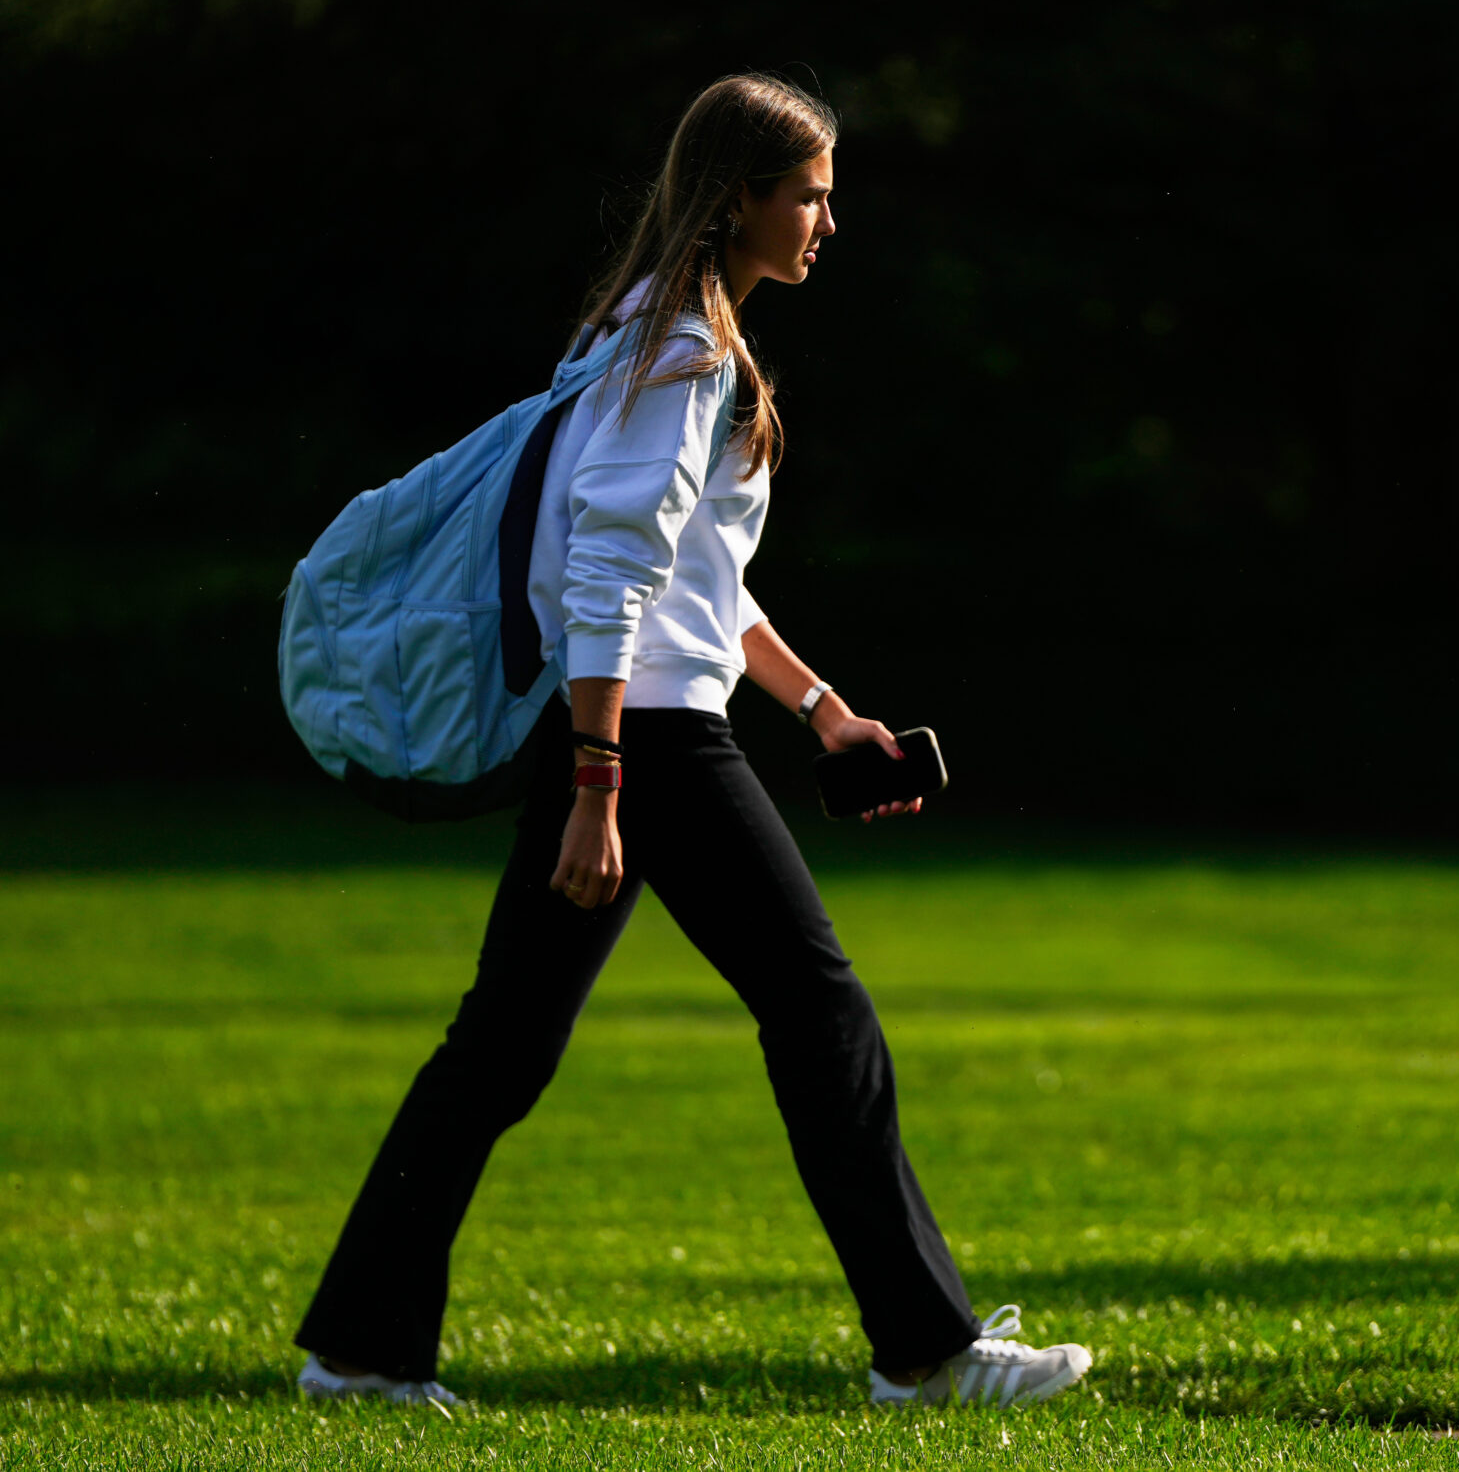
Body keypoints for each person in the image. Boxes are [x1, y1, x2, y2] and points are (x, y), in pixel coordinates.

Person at [292, 73, 1091, 1411]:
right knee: (820, 1013)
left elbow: (696, 578)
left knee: (500, 1050)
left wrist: (822, 708)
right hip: (646, 744)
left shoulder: (645, 333)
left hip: (629, 729)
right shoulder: (680, 355)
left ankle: (360, 1348)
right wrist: (600, 786)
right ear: (739, 201)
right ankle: (928, 1351)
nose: (830, 220)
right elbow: (605, 572)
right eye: (810, 195)